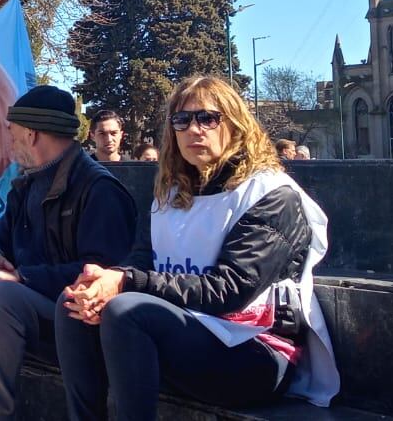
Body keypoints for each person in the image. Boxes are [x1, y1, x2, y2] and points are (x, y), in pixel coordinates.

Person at [59, 75, 338, 419]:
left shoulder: (271, 194)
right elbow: (144, 259)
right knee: (75, 301)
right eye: (182, 120)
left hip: (256, 351)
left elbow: (230, 290)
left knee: (125, 311)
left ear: (235, 125)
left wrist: (127, 282)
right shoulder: (172, 194)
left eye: (207, 118)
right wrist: (109, 278)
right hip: (189, 332)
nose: (194, 129)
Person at [0, 85, 136, 421]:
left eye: (12, 134)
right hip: (30, 306)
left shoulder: (98, 190)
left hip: (77, 322)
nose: (9, 143)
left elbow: (101, 277)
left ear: (31, 135)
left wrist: (20, 277)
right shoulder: (27, 185)